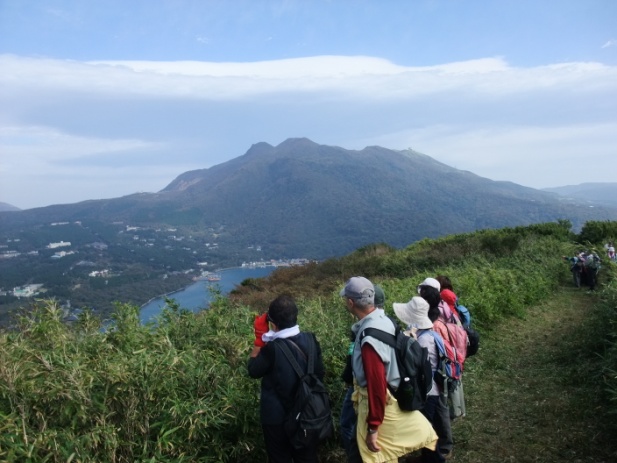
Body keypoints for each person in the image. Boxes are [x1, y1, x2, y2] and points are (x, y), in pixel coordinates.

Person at [341, 276, 438, 462]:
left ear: (351, 302)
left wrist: (373, 428)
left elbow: (376, 385)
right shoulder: (384, 320)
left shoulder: (369, 339)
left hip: (378, 406)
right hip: (393, 397)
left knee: (367, 455)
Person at [248, 294, 326, 463]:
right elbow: (319, 374)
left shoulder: (272, 349)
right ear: (295, 316)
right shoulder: (311, 340)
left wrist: (259, 338)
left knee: (279, 459)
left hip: (276, 418)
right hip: (307, 413)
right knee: (307, 458)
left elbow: (253, 370)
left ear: (273, 323)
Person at [393, 296, 453, 463]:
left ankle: (435, 458)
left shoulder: (424, 340)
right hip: (433, 387)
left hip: (428, 390)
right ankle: (428, 456)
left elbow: (416, 366)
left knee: (427, 427)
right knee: (428, 424)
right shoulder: (430, 335)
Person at [340, 284, 384, 463]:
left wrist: (373, 428)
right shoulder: (384, 324)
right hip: (367, 391)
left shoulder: (367, 334)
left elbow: (375, 381)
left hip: (363, 391)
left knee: (347, 425)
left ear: (351, 302)